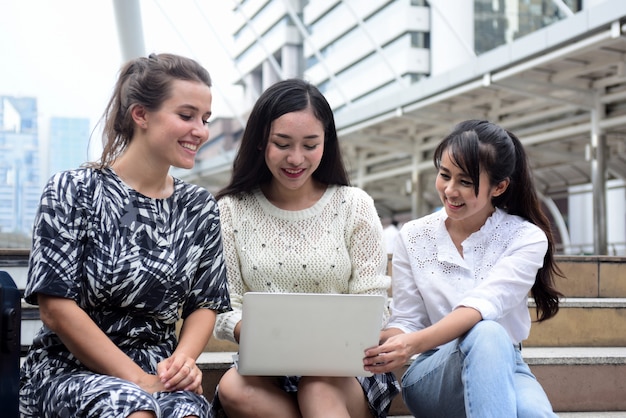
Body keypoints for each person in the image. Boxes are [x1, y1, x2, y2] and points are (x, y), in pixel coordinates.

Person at [20, 53, 231, 418]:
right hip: (68, 369)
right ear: (141, 115)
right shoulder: (73, 190)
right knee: (132, 408)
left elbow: (205, 303)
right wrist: (137, 379)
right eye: (186, 115)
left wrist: (181, 362)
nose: (201, 130)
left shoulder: (198, 207)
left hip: (158, 368)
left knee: (188, 414)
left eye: (205, 119)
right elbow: (55, 309)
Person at [211, 78, 400, 418]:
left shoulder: (354, 205)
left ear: (327, 143)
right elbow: (227, 306)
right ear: (259, 143)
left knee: (316, 386)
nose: (296, 158)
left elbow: (373, 300)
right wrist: (262, 336)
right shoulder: (231, 209)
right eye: (282, 143)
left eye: (310, 144)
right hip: (265, 367)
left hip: (344, 370)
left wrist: (341, 339)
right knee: (231, 388)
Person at [364, 120, 563, 417]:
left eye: (466, 182)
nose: (450, 190)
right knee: (487, 333)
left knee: (533, 411)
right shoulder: (414, 235)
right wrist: (380, 341)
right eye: (444, 175)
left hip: (508, 361)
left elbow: (481, 306)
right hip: (432, 373)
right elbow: (407, 319)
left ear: (500, 186)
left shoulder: (526, 237)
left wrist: (411, 343)